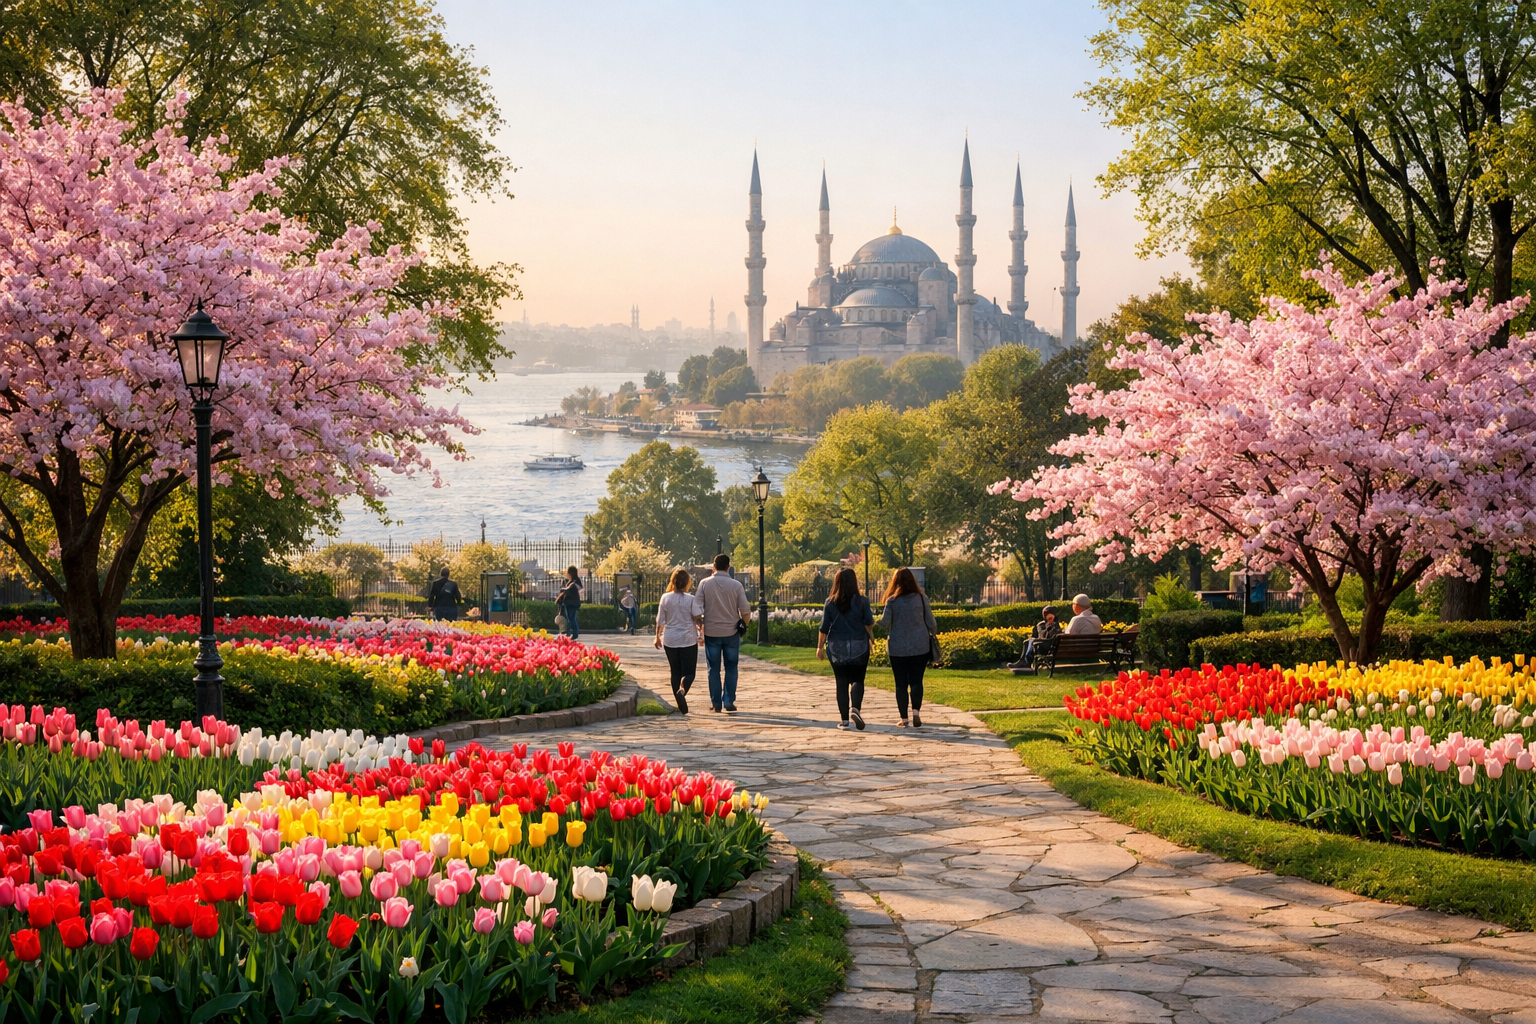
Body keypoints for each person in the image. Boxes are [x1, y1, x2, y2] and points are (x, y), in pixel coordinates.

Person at [879, 568, 938, 728]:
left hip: (897, 647)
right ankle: (916, 713)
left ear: (895, 582)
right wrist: (932, 632)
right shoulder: (921, 598)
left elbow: (884, 623)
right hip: (920, 645)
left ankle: (904, 719)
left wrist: (869, 621)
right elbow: (931, 622)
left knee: (900, 684)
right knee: (917, 681)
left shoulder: (892, 601)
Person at [817, 567, 874, 730]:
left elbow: (823, 628)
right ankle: (855, 708)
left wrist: (819, 647)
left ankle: (844, 720)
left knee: (841, 683)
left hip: (837, 648)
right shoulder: (862, 601)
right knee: (858, 679)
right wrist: (871, 636)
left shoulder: (830, 602)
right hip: (859, 646)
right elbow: (869, 622)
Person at [695, 554, 751, 712]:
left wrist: (700, 624)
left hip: (712, 631)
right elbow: (745, 611)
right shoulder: (736, 585)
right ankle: (728, 700)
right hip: (731, 631)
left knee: (713, 668)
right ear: (728, 567)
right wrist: (743, 625)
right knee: (731, 667)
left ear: (713, 566)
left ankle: (716, 702)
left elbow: (696, 607)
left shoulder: (704, 584)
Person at [654, 569, 703, 714]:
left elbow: (660, 620)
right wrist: (701, 632)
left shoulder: (665, 598)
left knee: (675, 671)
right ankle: (682, 691)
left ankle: (679, 701)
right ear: (687, 582)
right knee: (689, 672)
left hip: (671, 638)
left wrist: (657, 636)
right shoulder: (691, 599)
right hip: (688, 638)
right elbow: (697, 616)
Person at [1007, 605, 1063, 671]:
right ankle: (1023, 662)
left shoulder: (1056, 625)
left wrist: (1052, 626)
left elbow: (1053, 636)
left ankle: (1026, 660)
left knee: (1032, 640)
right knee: (1026, 642)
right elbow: (1042, 636)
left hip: (1049, 647)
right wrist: (1048, 627)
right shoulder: (1041, 625)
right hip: (1043, 644)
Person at [556, 566, 584, 639]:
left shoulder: (575, 581)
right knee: (570, 619)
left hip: (572, 604)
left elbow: (571, 589)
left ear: (570, 573)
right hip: (570, 603)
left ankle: (573, 634)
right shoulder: (572, 581)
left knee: (571, 619)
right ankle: (570, 633)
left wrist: (564, 590)